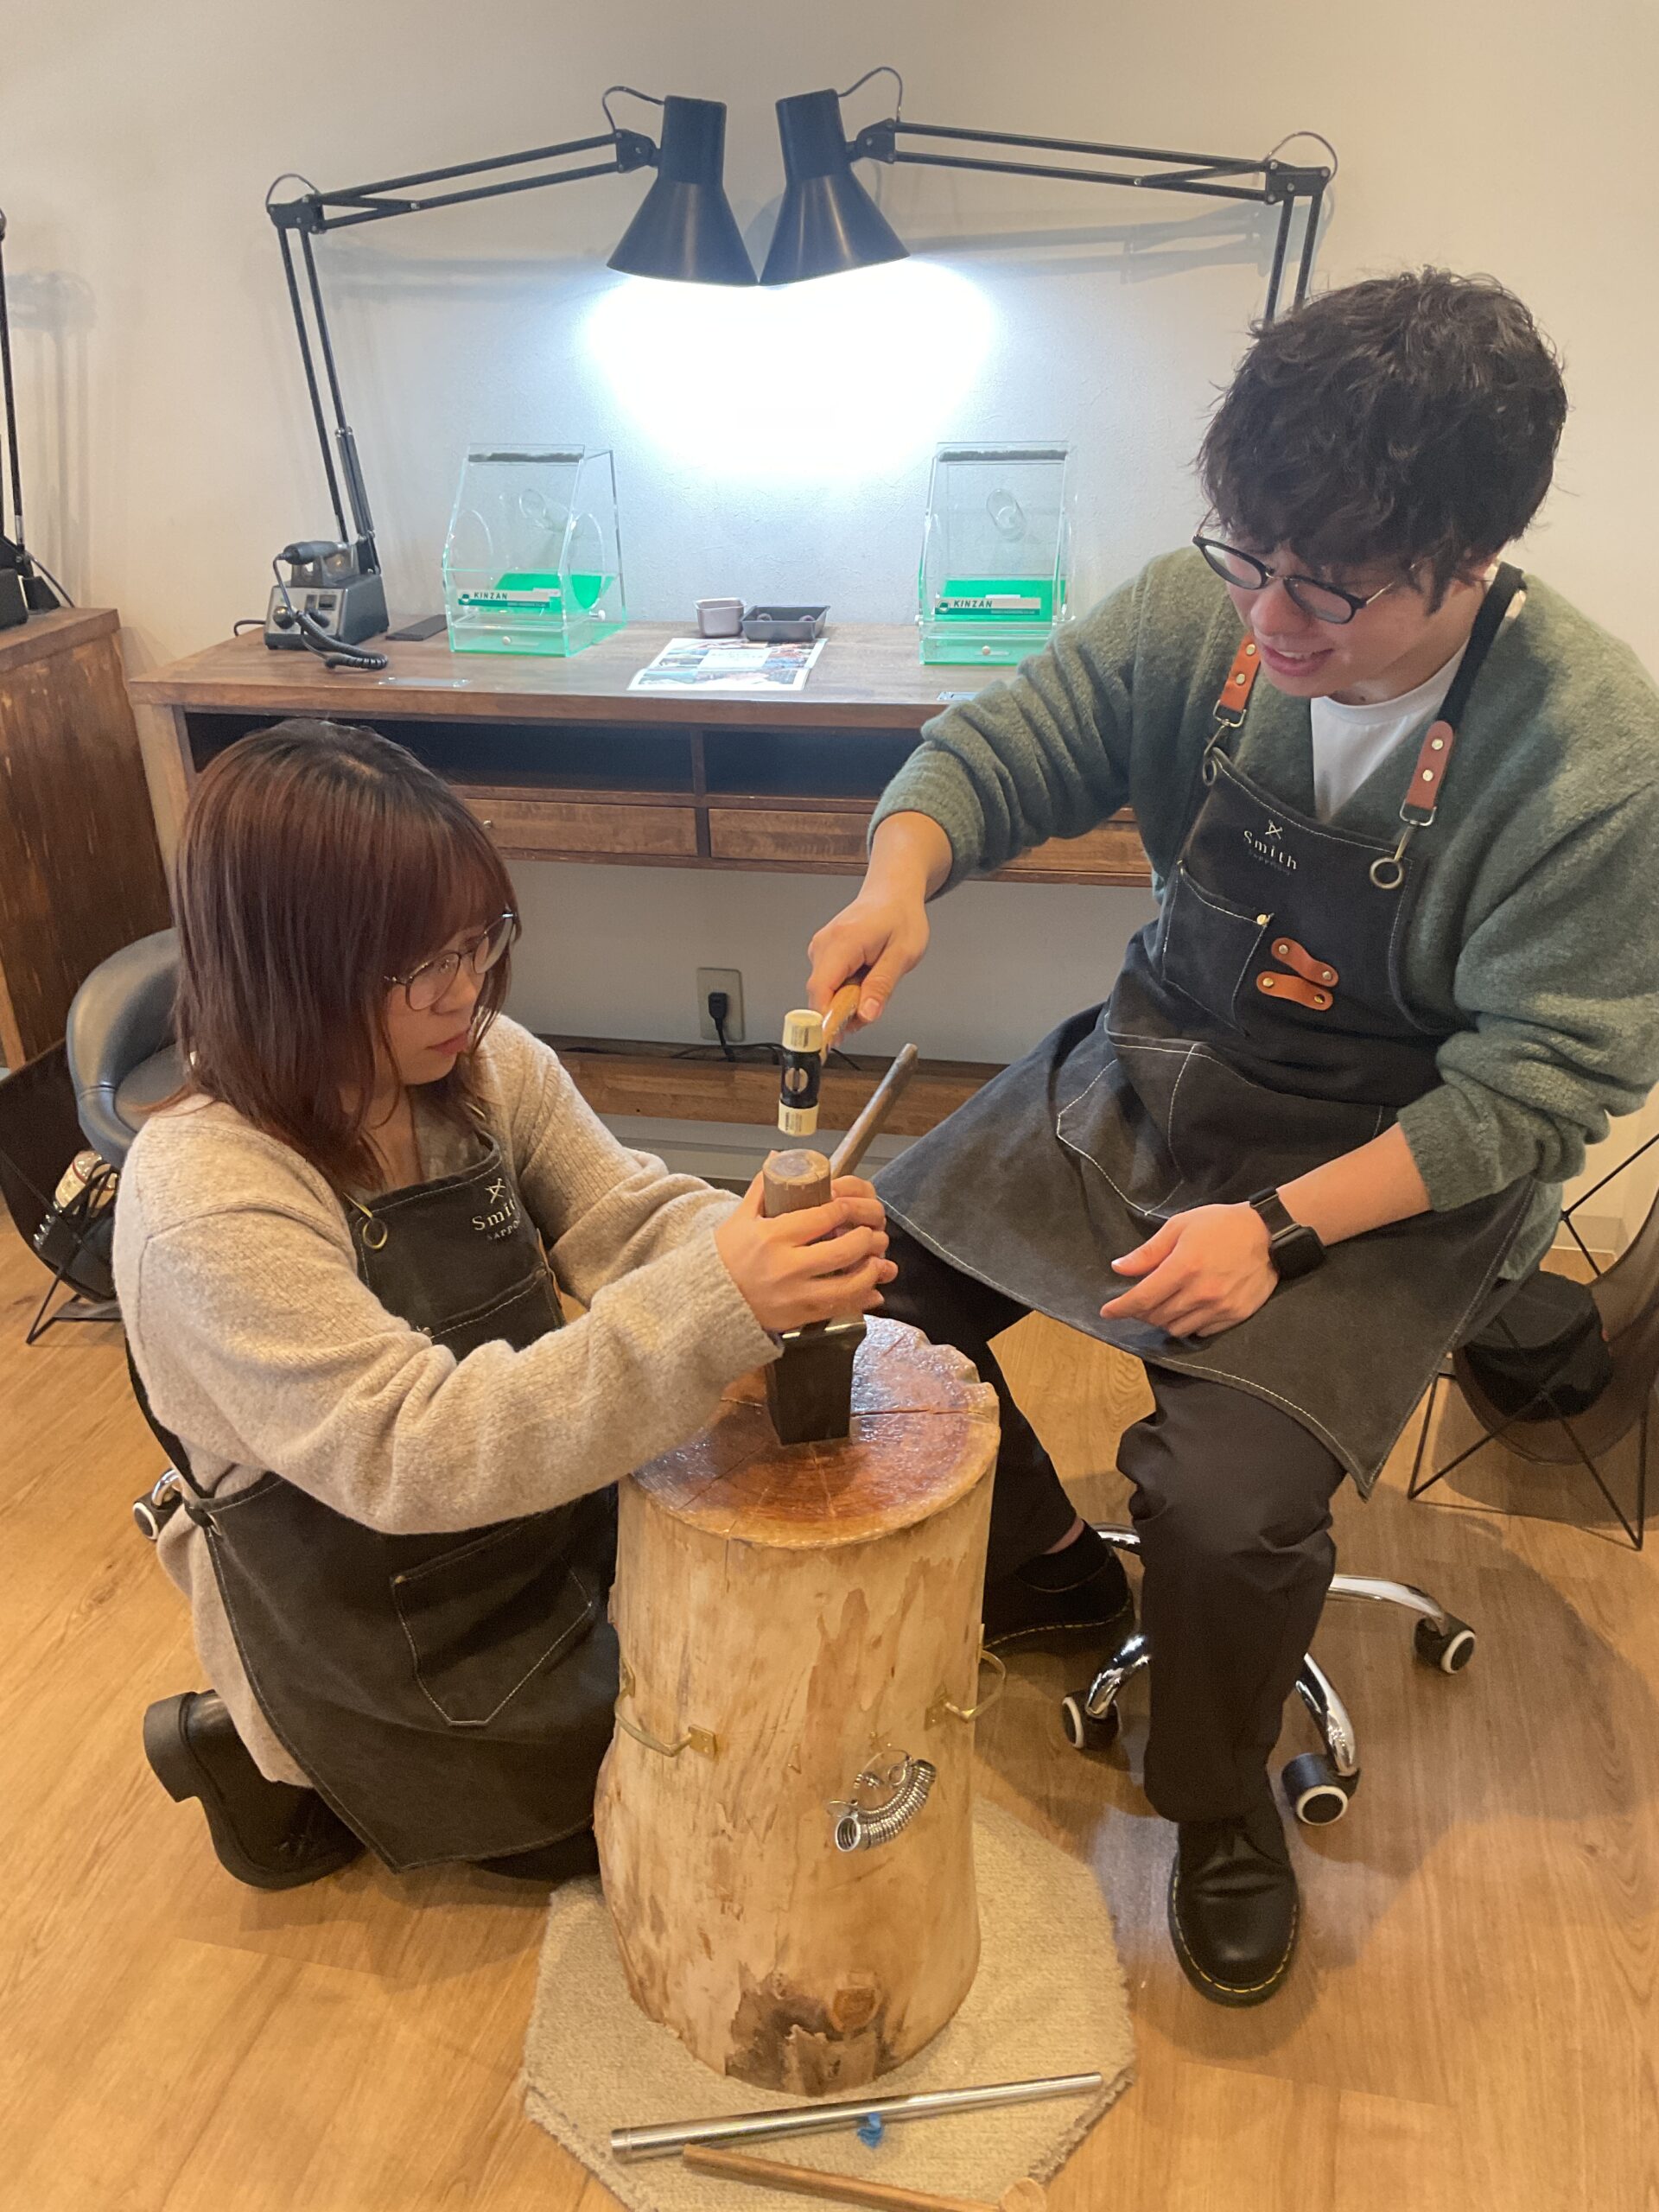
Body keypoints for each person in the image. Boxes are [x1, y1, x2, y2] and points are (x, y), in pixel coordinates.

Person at [804, 270, 1659, 2005]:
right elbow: (1008, 741)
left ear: (1474, 554)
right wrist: (900, 876)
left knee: (1223, 1506)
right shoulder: (1215, 621)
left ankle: (1215, 1801)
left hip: (1396, 1160)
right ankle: (1044, 1572)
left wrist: (1277, 1231)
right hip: (1165, 1062)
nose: (1269, 615)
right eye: (1246, 557)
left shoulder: (1590, 755)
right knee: (849, 1295)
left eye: (1328, 588)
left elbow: (1536, 1088)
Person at [117, 720, 893, 1889]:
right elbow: (414, 1451)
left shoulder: (480, 1063)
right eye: (415, 967)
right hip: (379, 1617)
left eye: (479, 942)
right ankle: (263, 1749)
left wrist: (763, 1245)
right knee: (677, 1789)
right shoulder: (207, 1196)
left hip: (539, 1508)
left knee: (753, 1686)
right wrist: (720, 1297)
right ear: (284, 967)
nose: (465, 989)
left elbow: (623, 1214)